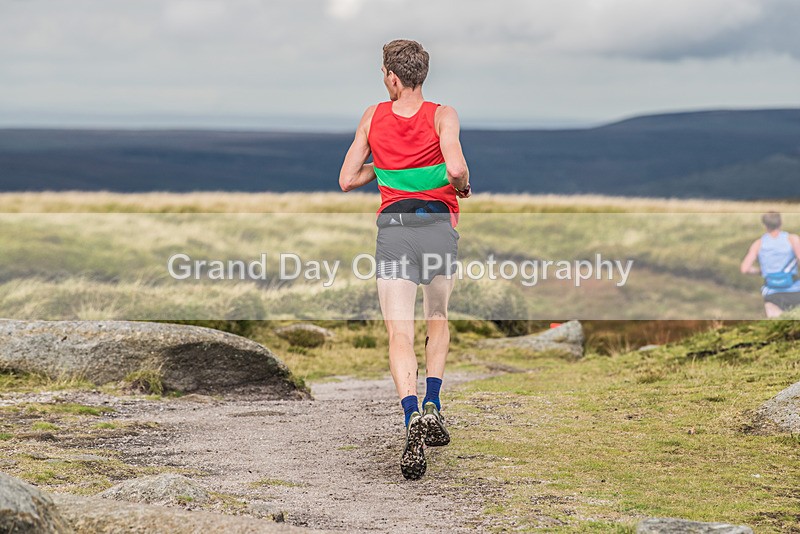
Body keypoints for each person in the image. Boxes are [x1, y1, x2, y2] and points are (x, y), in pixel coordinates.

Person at [338, 39, 470, 480]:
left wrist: (384, 165)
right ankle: (433, 402)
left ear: (392, 77)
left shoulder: (373, 116)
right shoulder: (443, 114)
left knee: (399, 331)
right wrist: (462, 187)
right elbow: (455, 170)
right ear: (421, 75)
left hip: (393, 231)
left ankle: (410, 414)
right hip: (436, 227)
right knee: (437, 317)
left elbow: (346, 179)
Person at [740, 211, 800, 317]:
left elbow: (745, 268)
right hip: (795, 290)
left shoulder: (758, 243)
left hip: (772, 292)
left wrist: (760, 271)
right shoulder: (792, 239)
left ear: (765, 225)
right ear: (780, 223)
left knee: (777, 327)